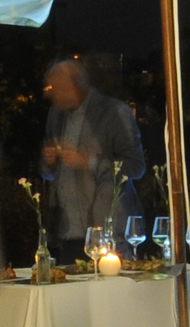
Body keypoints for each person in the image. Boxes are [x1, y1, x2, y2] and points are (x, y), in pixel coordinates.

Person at [39, 58, 146, 264]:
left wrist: (90, 161)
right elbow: (48, 174)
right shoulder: (56, 115)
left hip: (108, 236)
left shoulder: (114, 112)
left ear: (72, 86)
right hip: (67, 235)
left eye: (54, 88)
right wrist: (48, 162)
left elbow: (136, 166)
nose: (48, 94)